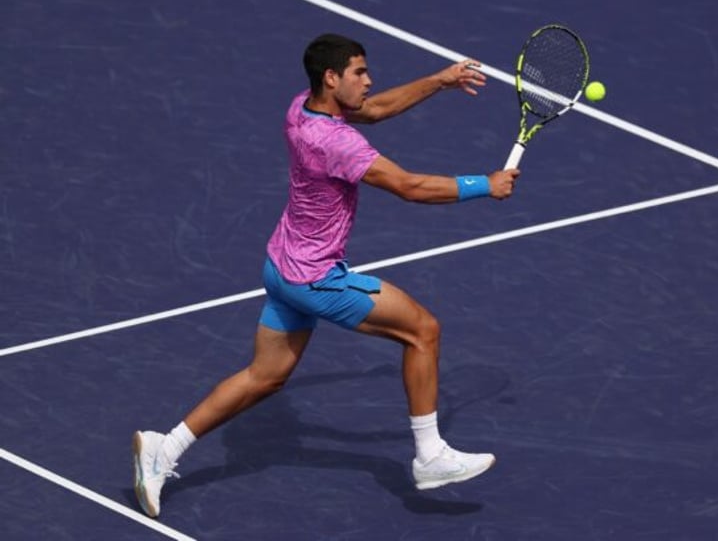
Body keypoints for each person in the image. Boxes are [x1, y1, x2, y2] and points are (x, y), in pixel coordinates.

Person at [132, 33, 520, 518]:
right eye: (359, 72)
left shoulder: (303, 108)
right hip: (316, 279)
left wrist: (438, 81)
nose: (369, 80)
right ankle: (430, 455)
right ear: (332, 78)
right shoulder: (335, 142)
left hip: (281, 266)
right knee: (423, 331)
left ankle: (161, 449)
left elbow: (375, 109)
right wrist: (484, 185)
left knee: (263, 377)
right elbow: (409, 186)